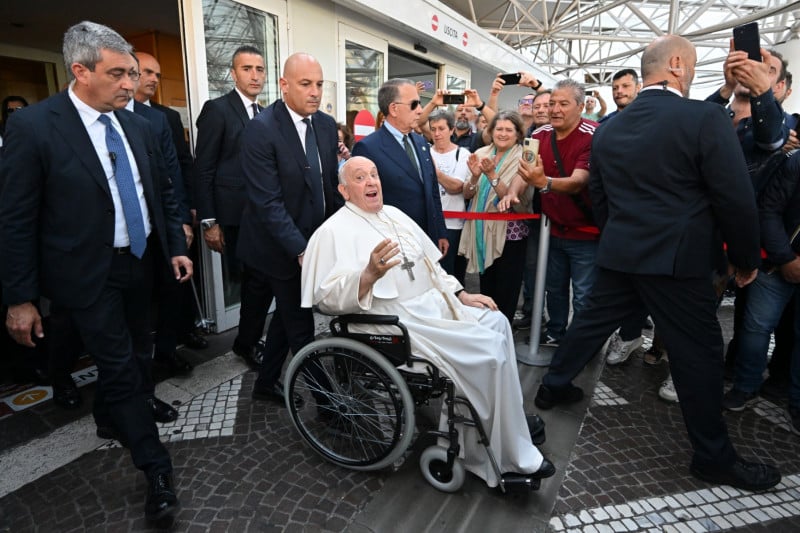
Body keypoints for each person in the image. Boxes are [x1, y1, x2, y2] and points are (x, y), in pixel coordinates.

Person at [533, 34, 780, 492]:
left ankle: (554, 385)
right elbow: (734, 197)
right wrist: (746, 259)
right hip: (677, 262)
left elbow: (600, 196)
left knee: (590, 322)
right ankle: (713, 457)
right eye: (693, 66)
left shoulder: (609, 128)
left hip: (621, 251)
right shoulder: (704, 117)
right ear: (679, 65)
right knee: (699, 354)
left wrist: (619, 236)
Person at [0, 21, 192, 521]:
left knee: (140, 351)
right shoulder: (34, 127)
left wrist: (173, 246)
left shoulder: (138, 125)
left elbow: (161, 192)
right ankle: (155, 467)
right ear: (80, 71)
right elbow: (15, 219)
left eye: (132, 73)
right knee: (121, 366)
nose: (130, 84)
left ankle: (109, 417)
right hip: (86, 274)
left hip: (140, 263)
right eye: (117, 74)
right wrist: (19, 298)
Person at [300, 155, 555, 488]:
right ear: (344, 191)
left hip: (434, 305)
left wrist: (461, 294)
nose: (372, 182)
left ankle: (509, 423)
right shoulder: (331, 232)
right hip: (395, 322)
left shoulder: (394, 214)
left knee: (498, 323)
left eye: (374, 174)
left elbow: (432, 268)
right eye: (360, 178)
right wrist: (368, 275)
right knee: (487, 351)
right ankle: (496, 454)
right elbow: (326, 300)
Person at [237, 52, 341, 405]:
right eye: (305, 84)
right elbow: (267, 202)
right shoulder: (261, 129)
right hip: (278, 249)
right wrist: (301, 249)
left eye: (319, 84)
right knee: (300, 329)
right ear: (284, 85)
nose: (315, 92)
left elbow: (328, 186)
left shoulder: (325, 125)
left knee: (285, 317)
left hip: (312, 242)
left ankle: (265, 383)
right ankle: (330, 408)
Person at [194, 45, 266, 367]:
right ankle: (246, 343)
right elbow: (204, 168)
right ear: (233, 74)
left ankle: (247, 340)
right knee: (251, 280)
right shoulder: (218, 109)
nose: (254, 75)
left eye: (259, 69)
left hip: (262, 214)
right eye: (247, 69)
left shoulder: (264, 113)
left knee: (258, 281)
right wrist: (209, 221)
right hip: (233, 216)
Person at [515, 79, 599, 345]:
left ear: (581, 106)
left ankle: (580, 345)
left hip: (586, 233)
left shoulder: (594, 134)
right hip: (551, 231)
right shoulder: (539, 135)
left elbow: (578, 181)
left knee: (584, 294)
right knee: (554, 288)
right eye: (552, 103)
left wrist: (545, 182)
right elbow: (525, 171)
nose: (555, 109)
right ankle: (555, 333)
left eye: (563, 103)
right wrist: (511, 192)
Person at [352, 79, 448, 252]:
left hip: (428, 238)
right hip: (393, 243)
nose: (420, 110)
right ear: (394, 109)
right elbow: (362, 203)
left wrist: (440, 231)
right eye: (414, 104)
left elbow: (432, 190)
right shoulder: (368, 148)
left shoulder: (421, 143)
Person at [459, 110, 531, 323]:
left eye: (509, 130)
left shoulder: (525, 157)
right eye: (499, 129)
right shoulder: (481, 153)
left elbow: (511, 200)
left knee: (506, 288)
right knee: (486, 286)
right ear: (491, 131)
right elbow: (467, 194)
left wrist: (491, 175)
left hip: (510, 234)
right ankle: (490, 329)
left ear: (518, 134)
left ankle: (504, 330)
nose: (503, 134)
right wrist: (474, 177)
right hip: (481, 230)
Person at [429, 109, 470, 284]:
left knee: (452, 275)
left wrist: (435, 172)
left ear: (452, 130)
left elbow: (456, 187)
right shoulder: (425, 152)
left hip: (454, 224)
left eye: (441, 128)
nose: (437, 134)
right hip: (430, 223)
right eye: (433, 129)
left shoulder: (462, 154)